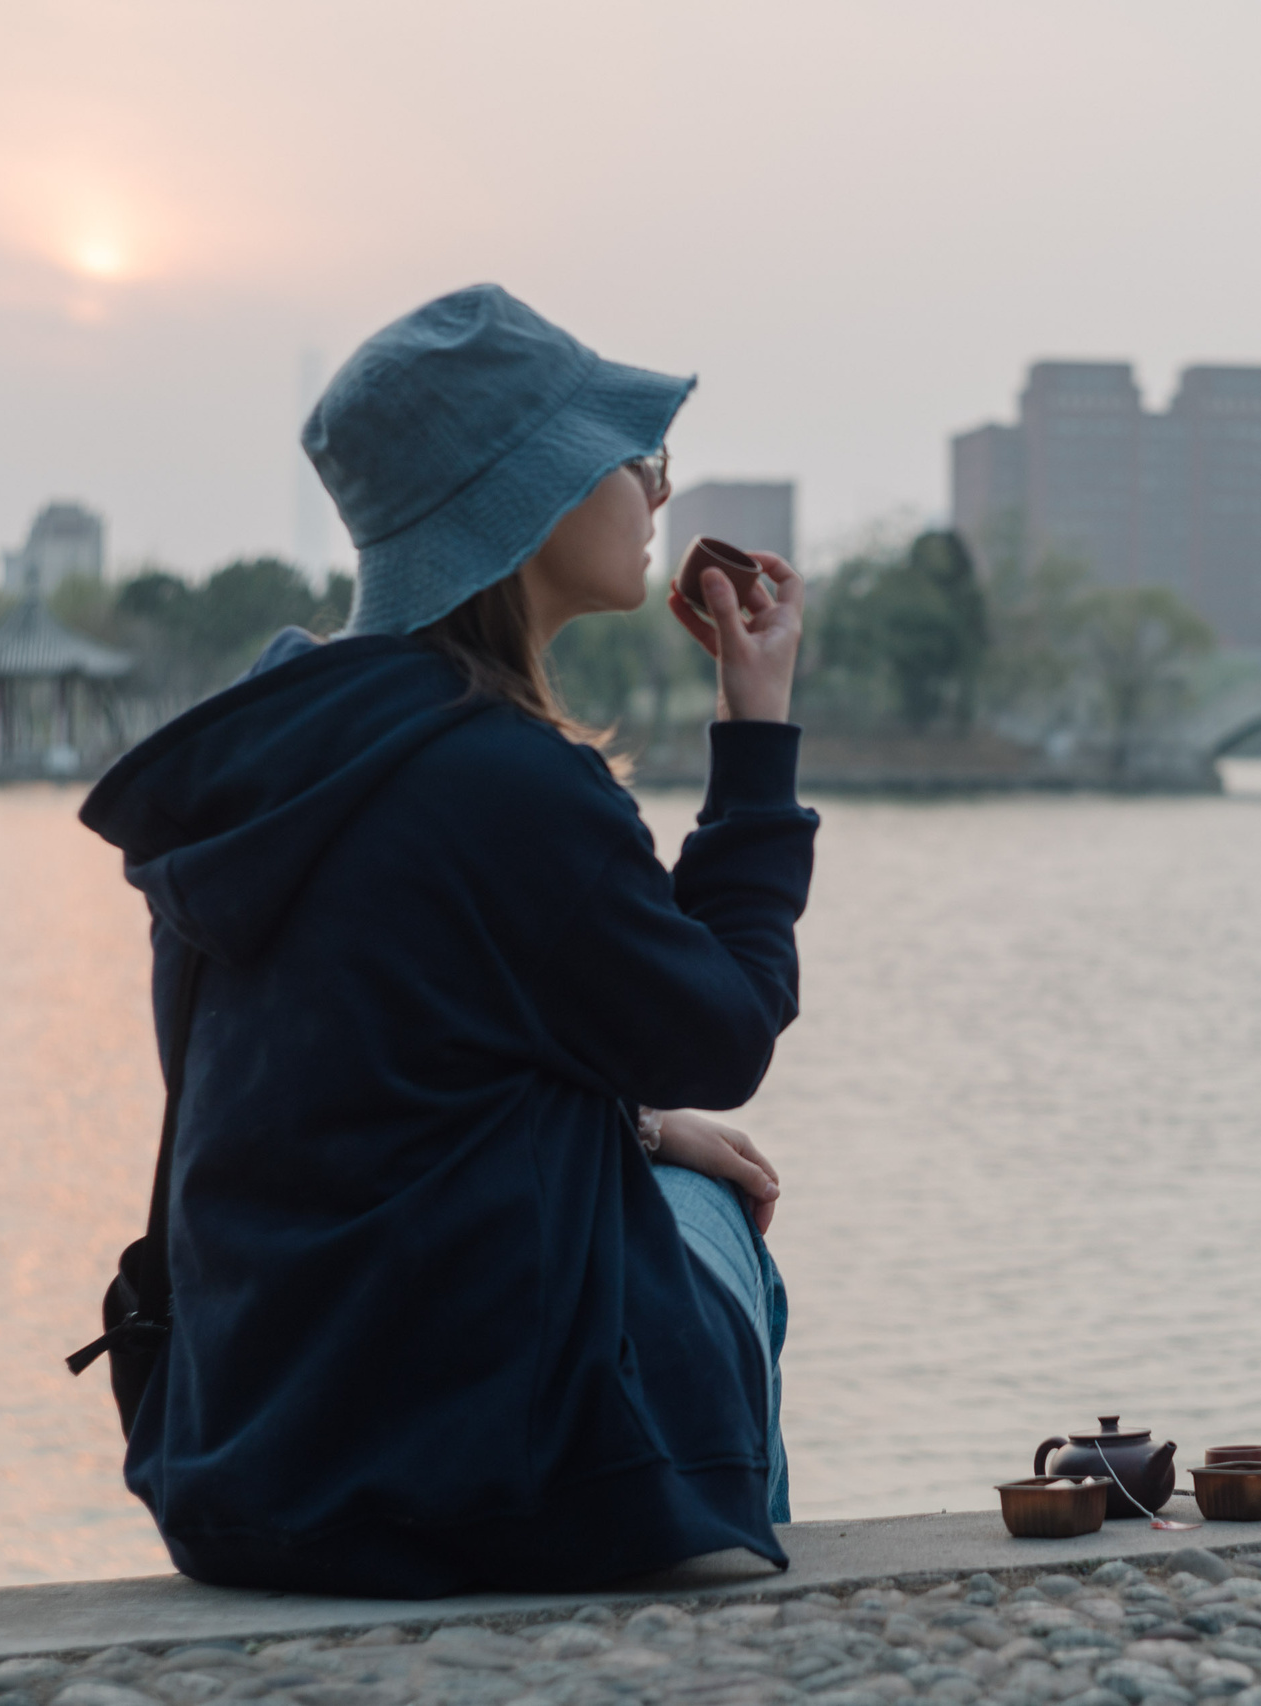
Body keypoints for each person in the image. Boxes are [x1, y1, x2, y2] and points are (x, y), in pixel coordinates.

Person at [78, 284, 815, 1596]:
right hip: (474, 1489)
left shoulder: (267, 755)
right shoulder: (509, 788)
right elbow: (728, 1026)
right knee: (710, 1210)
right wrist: (755, 734)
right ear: (528, 497)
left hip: (238, 1478)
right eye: (627, 457)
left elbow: (362, 1083)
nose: (655, 489)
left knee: (666, 1165)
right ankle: (734, 1623)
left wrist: (634, 1124)